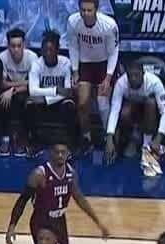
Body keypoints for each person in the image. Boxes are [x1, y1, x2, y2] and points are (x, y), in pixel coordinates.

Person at [6, 141, 108, 244]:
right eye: (57, 152)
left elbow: (80, 199)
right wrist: (12, 226)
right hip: (42, 221)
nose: (60, 155)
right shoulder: (39, 174)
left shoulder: (71, 173)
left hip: (60, 221)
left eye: (63, 152)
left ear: (68, 154)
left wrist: (99, 223)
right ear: (50, 153)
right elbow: (22, 201)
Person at [66, 0, 120, 151]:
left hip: (104, 64)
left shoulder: (109, 25)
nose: (85, 14)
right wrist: (75, 71)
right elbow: (73, 46)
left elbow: (113, 52)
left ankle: (109, 137)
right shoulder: (73, 22)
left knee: (102, 103)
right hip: (85, 64)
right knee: (82, 103)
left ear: (96, 9)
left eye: (89, 10)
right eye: (83, 10)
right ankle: (87, 138)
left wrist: (108, 78)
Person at [105, 60, 165, 169]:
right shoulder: (121, 83)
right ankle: (132, 140)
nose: (133, 79)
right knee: (124, 112)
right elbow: (114, 111)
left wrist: (159, 137)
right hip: (133, 113)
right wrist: (109, 137)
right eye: (130, 76)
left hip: (151, 115)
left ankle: (146, 145)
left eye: (136, 75)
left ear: (143, 74)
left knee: (150, 103)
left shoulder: (154, 82)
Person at [26, 32, 78, 147]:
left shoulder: (65, 63)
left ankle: (72, 143)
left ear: (57, 50)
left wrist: (48, 99)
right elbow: (33, 91)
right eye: (45, 50)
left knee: (70, 104)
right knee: (30, 103)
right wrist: (56, 90)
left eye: (51, 50)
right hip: (44, 101)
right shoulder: (36, 64)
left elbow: (67, 91)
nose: (48, 53)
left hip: (57, 101)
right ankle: (33, 141)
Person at [0, 28, 34, 157]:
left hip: (26, 91)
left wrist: (12, 89)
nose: (16, 49)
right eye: (13, 46)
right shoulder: (2, 57)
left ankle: (23, 139)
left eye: (19, 46)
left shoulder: (32, 57)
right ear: (8, 46)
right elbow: (2, 83)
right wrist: (13, 87)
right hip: (10, 90)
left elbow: (33, 84)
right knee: (1, 100)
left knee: (27, 101)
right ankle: (5, 138)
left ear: (24, 45)